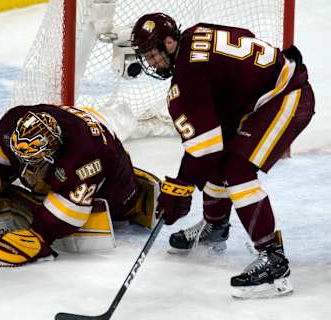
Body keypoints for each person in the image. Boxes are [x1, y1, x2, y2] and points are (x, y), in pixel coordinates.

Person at [130, 13, 315, 298]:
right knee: (220, 156)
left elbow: (203, 151)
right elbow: (245, 32)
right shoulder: (196, 32)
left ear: (168, 42)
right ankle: (215, 225)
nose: (151, 63)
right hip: (263, 94)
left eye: (152, 54)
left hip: (287, 95)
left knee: (236, 170)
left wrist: (179, 190)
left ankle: (274, 261)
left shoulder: (186, 78)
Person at [0, 103, 160, 268]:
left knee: (118, 203)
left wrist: (38, 234)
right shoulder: (12, 121)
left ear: (55, 152)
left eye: (35, 161)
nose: (26, 171)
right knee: (30, 173)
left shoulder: (83, 157)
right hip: (80, 122)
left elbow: (70, 215)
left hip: (112, 173)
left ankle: (132, 197)